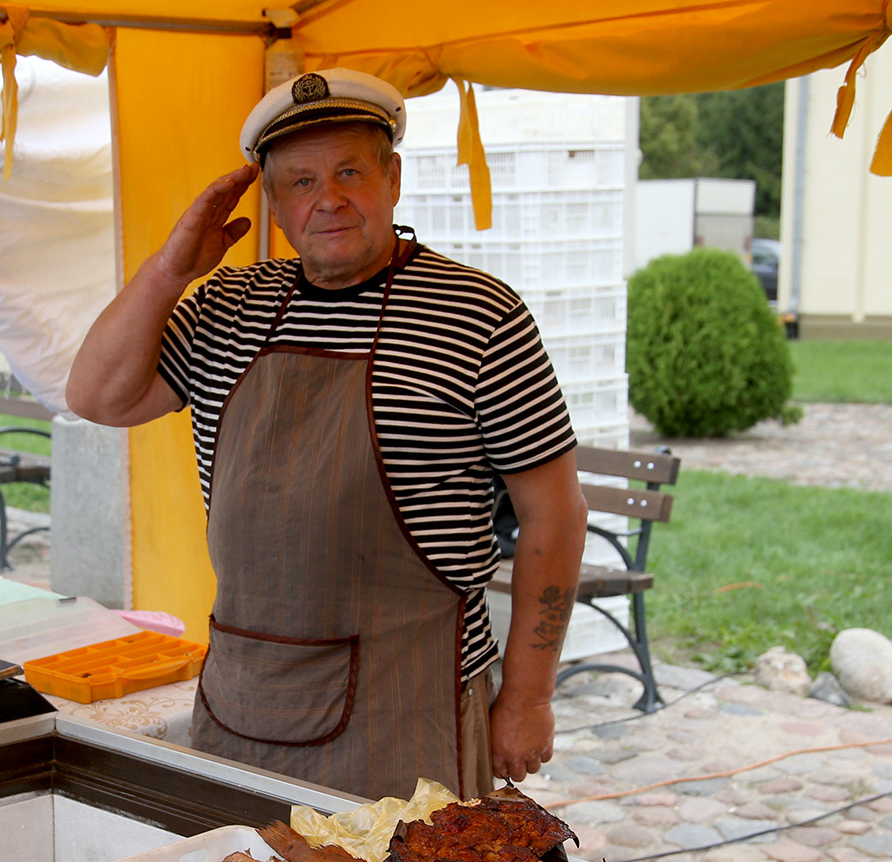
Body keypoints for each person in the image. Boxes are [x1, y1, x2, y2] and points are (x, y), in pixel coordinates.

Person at [65, 69, 587, 799]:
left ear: (393, 178)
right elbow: (97, 396)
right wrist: (168, 269)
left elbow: (553, 513)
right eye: (301, 182)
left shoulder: (478, 315)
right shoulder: (228, 302)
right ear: (274, 204)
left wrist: (527, 699)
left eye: (350, 172)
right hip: (244, 701)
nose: (328, 199)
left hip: (412, 704)